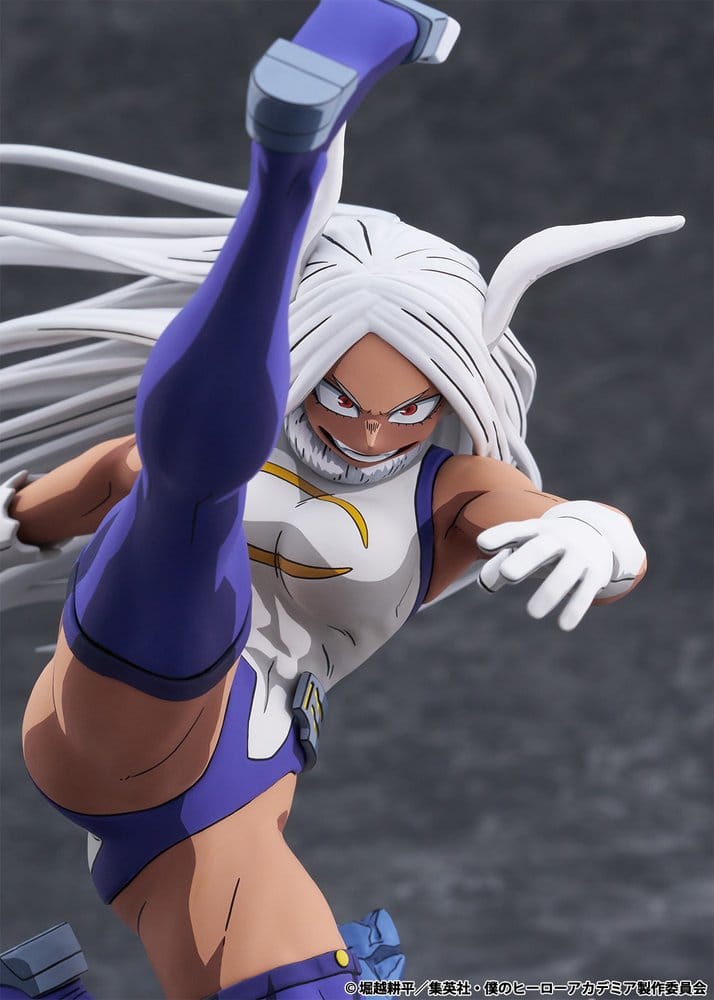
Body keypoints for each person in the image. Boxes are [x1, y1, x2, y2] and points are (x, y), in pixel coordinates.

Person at [0, 2, 684, 998]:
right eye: (339, 399)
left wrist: (597, 534)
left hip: (230, 796)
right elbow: (101, 482)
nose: (368, 434)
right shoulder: (228, 443)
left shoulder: (449, 491)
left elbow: (554, 518)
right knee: (188, 496)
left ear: (453, 395)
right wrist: (20, 512)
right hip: (136, 701)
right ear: (300, 360)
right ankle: (285, 179)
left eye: (407, 411)